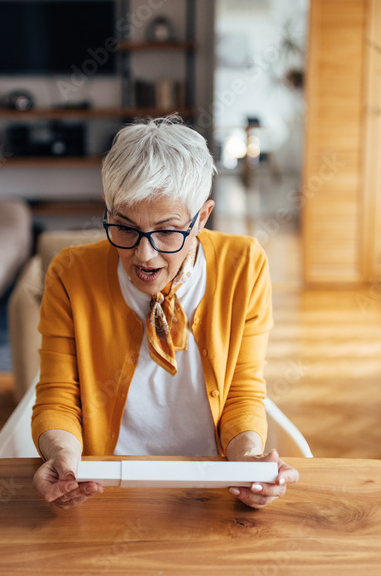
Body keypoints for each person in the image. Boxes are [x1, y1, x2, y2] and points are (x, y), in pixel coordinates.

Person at [31, 116, 298, 509]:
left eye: (168, 231)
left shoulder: (244, 266)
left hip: (209, 482)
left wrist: (247, 465)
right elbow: (58, 398)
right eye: (124, 228)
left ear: (201, 219)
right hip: (103, 485)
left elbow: (242, 393)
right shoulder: (70, 273)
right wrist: (62, 457)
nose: (144, 254)